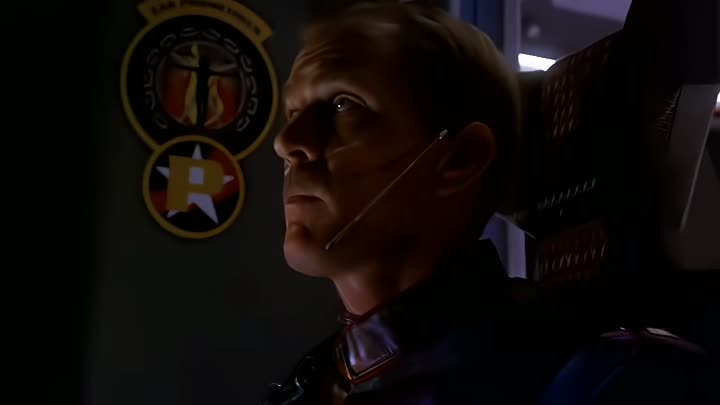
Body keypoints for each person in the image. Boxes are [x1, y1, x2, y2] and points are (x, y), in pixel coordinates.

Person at [264, 1, 718, 404]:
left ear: (461, 157)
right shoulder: (317, 378)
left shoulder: (601, 381)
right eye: (293, 112)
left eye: (343, 105)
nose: (287, 142)